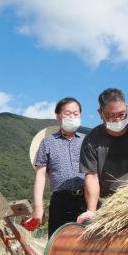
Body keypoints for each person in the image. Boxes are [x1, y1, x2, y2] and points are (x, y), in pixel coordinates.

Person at [77, 88, 128, 222]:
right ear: (100, 113)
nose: (117, 120)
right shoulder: (92, 140)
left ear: (126, 107)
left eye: (121, 114)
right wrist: (91, 211)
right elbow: (92, 176)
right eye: (110, 116)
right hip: (108, 205)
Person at [33, 97, 87, 237]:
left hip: (86, 199)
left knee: (88, 245)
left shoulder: (87, 140)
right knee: (58, 244)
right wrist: (38, 207)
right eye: (68, 113)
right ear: (58, 116)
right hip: (60, 201)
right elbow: (40, 175)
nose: (72, 117)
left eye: (76, 114)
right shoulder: (48, 142)